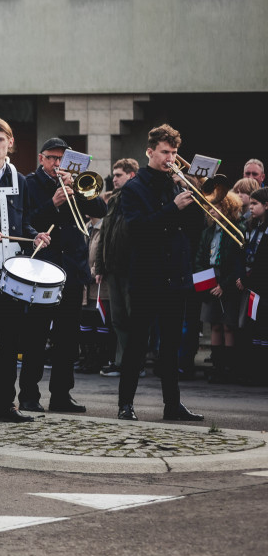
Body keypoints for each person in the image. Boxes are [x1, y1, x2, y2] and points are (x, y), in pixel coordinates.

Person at [117, 125, 205, 422]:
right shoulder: (133, 187)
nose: (170, 158)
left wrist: (194, 192)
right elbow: (137, 230)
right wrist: (172, 208)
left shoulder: (177, 184)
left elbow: (195, 228)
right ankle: (125, 404)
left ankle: (172, 405)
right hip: (146, 276)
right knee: (138, 345)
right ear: (150, 151)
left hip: (175, 276)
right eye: (165, 152)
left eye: (174, 152)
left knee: (170, 346)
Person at [0, 119, 49, 423]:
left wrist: (36, 235)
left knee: (11, 342)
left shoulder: (21, 179)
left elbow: (25, 221)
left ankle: (6, 405)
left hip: (14, 274)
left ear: (10, 142)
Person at [22, 138, 107, 414]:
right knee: (36, 334)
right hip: (43, 270)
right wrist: (53, 203)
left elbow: (101, 211)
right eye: (52, 158)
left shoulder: (75, 183)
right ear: (41, 158)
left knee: (67, 338)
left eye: (62, 159)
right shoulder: (30, 184)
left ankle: (61, 395)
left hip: (72, 269)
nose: (57, 164)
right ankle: (28, 395)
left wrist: (80, 191)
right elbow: (28, 221)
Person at [195, 191, 246, 383]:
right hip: (211, 280)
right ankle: (217, 365)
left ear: (227, 208)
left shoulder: (236, 230)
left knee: (228, 325)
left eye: (217, 207)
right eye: (210, 207)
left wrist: (224, 285)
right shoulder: (208, 232)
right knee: (214, 324)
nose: (212, 210)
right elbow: (200, 258)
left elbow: (238, 263)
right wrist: (207, 283)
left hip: (228, 282)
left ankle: (229, 366)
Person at [95, 158, 139, 377]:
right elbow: (105, 234)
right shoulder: (112, 200)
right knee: (118, 319)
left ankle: (135, 363)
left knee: (134, 318)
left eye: (118, 175)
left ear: (131, 175)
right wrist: (100, 266)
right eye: (113, 174)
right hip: (113, 268)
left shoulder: (139, 196)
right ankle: (123, 361)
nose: (114, 179)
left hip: (132, 268)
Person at [237, 188, 268, 383]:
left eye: (255, 204)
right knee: (253, 326)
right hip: (252, 285)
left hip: (261, 286)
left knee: (263, 328)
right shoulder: (253, 227)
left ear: (266, 205)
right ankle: (253, 370)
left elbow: (263, 260)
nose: (251, 207)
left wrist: (249, 279)